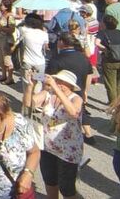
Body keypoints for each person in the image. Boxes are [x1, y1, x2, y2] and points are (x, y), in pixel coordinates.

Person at [33, 70, 85, 199]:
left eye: (63, 83)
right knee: (50, 181)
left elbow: (73, 112)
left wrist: (56, 88)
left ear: (71, 86)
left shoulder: (76, 98)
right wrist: (31, 85)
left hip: (68, 151)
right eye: (58, 81)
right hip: (47, 146)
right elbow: (29, 104)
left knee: (67, 188)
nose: (59, 84)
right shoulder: (48, 94)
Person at [17, 15, 50, 113]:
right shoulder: (44, 34)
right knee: (38, 82)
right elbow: (46, 47)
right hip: (39, 62)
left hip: (27, 61)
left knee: (26, 83)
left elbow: (19, 25)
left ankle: (26, 103)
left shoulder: (24, 31)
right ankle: (35, 103)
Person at [96, 14, 120, 105]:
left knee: (110, 84)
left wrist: (106, 50)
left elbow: (97, 43)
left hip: (110, 61)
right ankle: (118, 101)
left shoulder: (102, 33)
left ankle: (113, 104)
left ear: (104, 23)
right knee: (118, 83)